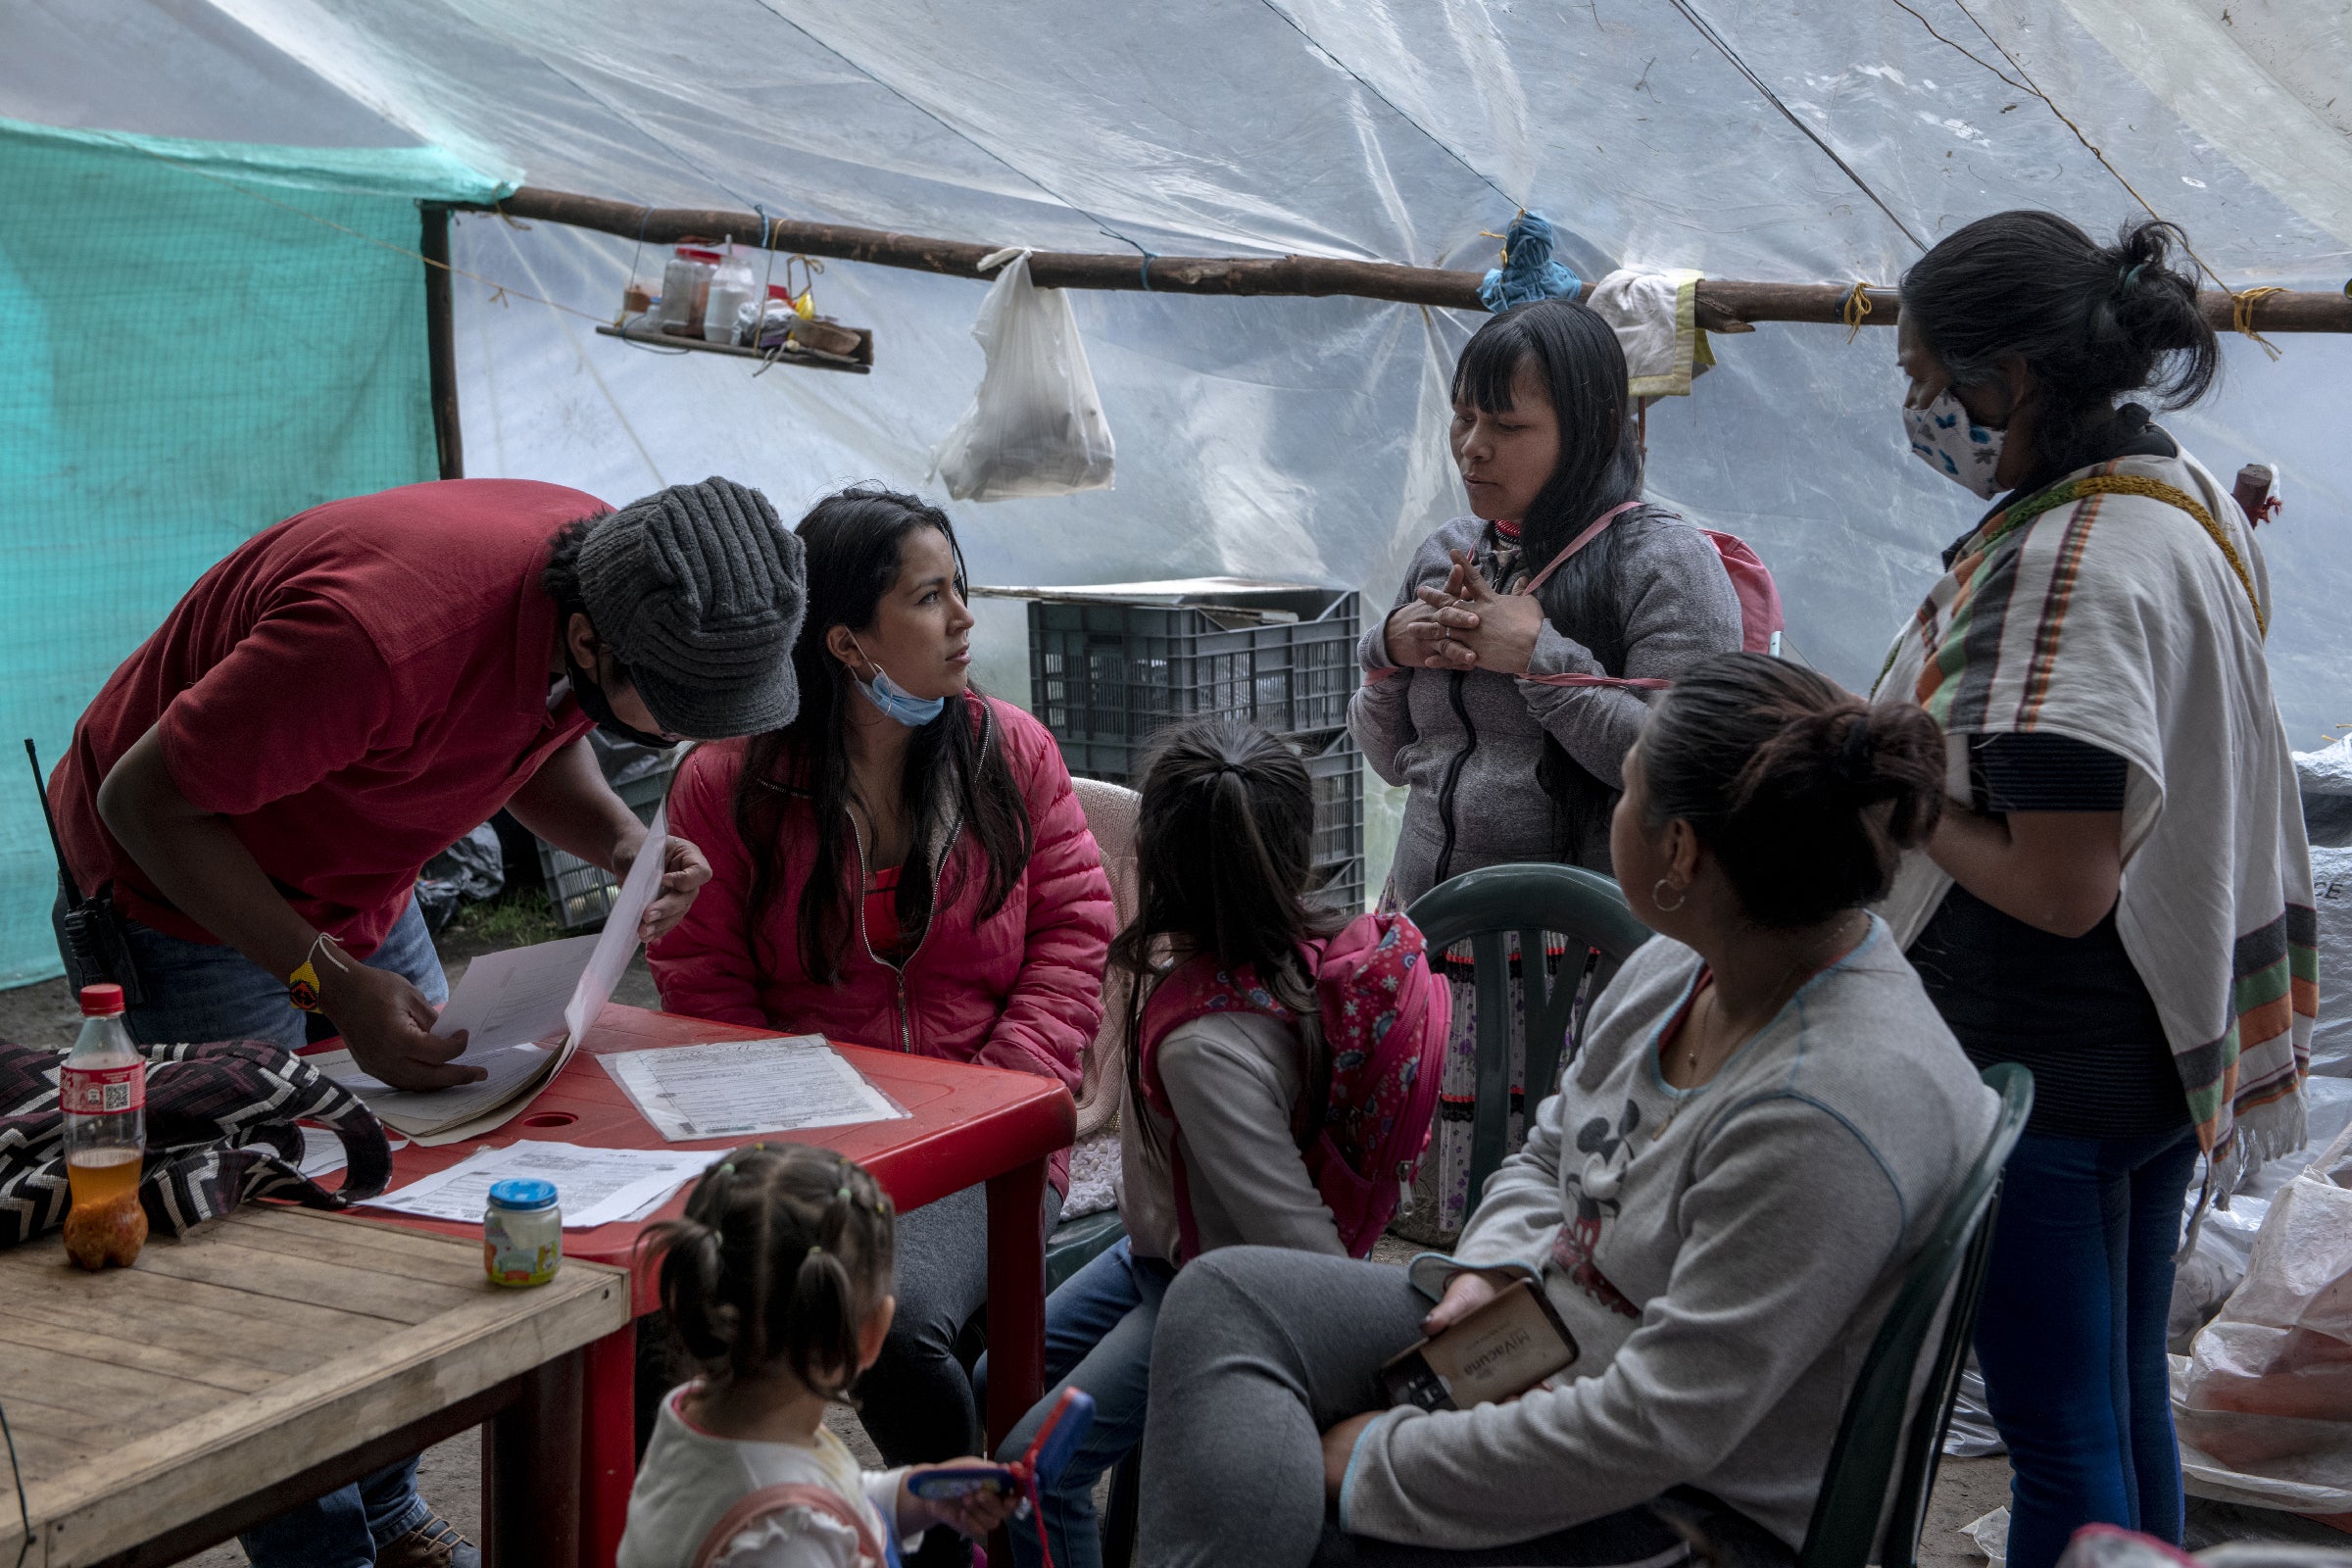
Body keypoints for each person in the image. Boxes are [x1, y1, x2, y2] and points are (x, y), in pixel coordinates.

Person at [44, 473, 807, 1568]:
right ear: (592, 639)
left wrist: (619, 840)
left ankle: (388, 1506)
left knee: (416, 1180)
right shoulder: (374, 641)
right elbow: (142, 800)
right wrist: (326, 979)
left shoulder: (619, 566)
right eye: (676, 713)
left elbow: (520, 733)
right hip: (178, 895)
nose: (684, 740)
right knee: (268, 1237)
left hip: (360, 876)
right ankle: (324, 1551)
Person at [1139, 654, 1998, 1568]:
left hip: (1690, 1510)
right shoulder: (1692, 964)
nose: (1612, 810)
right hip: (1558, 1338)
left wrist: (1382, 1464)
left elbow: (1654, 1425)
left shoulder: (1827, 1113)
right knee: (1225, 1299)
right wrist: (1492, 1269)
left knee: (1269, 1500)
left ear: (1681, 852)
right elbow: (1554, 1152)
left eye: (1625, 793)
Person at [1880, 212, 2314, 1568]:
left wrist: (1899, 801)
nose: (1915, 408)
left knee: (2061, 1430)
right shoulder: (2158, 487)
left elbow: (2063, 884)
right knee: (2122, 1399)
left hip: (2048, 1077)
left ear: (2006, 380)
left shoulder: (2075, 572)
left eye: (1923, 377)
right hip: (2147, 1060)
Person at [649, 486, 1114, 1568]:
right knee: (673, 1303)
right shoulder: (731, 783)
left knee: (895, 1327)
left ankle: (965, 1543)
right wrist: (812, 1135)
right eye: (931, 596)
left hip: (988, 1136)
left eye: (964, 589)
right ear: (848, 642)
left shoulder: (1011, 753)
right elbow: (705, 982)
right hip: (813, 1142)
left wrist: (993, 1097)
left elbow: (1076, 929)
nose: (964, 620)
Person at [1348, 295, 1742, 1240]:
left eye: (1507, 424)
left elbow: (1689, 773)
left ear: (1595, 428)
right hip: (1435, 949)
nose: (1471, 446)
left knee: (1551, 1220)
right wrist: (1389, 655)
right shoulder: (1450, 553)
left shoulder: (1666, 565)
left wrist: (1544, 664)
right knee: (1427, 1222)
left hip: (1588, 969)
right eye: (1464, 415)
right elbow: (1394, 758)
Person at [983, 717, 1354, 1568]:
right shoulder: (1274, 957)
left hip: (1209, 1293)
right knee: (991, 1383)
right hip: (1154, 1256)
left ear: (1153, 865)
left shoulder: (1207, 1046)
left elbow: (1302, 1249)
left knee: (1035, 1471)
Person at [619, 1144, 1016, 1568]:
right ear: (870, 1336)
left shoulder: (699, 1414)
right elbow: (801, 1513)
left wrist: (916, 1497)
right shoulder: (786, 1540)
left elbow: (828, 1488)